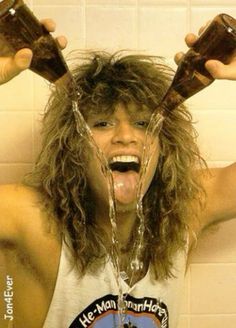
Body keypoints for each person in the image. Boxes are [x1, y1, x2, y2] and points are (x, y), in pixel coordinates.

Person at [0, 18, 236, 328]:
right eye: (102, 123)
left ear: (164, 145)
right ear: (73, 146)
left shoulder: (183, 210)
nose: (127, 136)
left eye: (142, 123)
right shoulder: (31, 219)